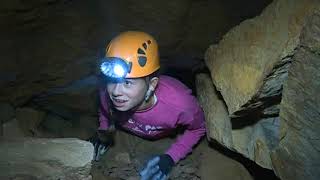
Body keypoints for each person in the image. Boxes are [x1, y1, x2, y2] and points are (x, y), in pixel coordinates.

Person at [91, 31, 206, 180]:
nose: (115, 92)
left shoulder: (180, 105)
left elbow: (199, 128)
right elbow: (104, 111)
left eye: (127, 82)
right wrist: (104, 130)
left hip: (175, 98)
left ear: (152, 84)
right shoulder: (105, 92)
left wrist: (171, 157)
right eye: (112, 81)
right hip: (133, 134)